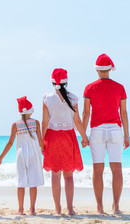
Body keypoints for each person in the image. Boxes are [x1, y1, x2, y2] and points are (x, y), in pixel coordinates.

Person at [82, 53, 130, 215]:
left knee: (97, 170)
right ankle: (116, 207)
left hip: (97, 130)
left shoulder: (89, 88)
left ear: (97, 70)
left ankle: (100, 207)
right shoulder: (120, 87)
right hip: (116, 130)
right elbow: (123, 113)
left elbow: (86, 114)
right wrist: (127, 135)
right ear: (110, 69)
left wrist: (83, 135)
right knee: (117, 168)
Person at [42, 68, 89, 215]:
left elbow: (44, 123)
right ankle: (70, 209)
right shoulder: (74, 98)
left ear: (52, 82)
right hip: (68, 137)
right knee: (69, 176)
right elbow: (77, 120)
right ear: (66, 82)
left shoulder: (47, 99)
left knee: (55, 175)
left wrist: (40, 141)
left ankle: (57, 208)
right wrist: (84, 137)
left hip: (52, 137)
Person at [0, 96, 44, 215]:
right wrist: (44, 150)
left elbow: (10, 143)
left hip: (21, 154)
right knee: (33, 182)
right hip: (34, 154)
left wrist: (0, 158)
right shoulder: (36, 123)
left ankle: (21, 209)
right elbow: (41, 141)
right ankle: (32, 209)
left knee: (21, 181)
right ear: (30, 110)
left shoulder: (15, 125)